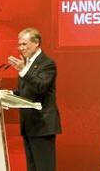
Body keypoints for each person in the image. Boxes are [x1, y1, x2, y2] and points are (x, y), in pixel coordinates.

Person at [7, 28, 61, 171]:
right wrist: (9, 94)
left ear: (36, 42)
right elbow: (27, 93)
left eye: (24, 44)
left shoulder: (47, 63)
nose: (21, 48)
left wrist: (23, 70)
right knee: (32, 168)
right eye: (19, 45)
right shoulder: (26, 63)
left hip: (42, 126)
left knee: (44, 168)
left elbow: (41, 87)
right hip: (29, 125)